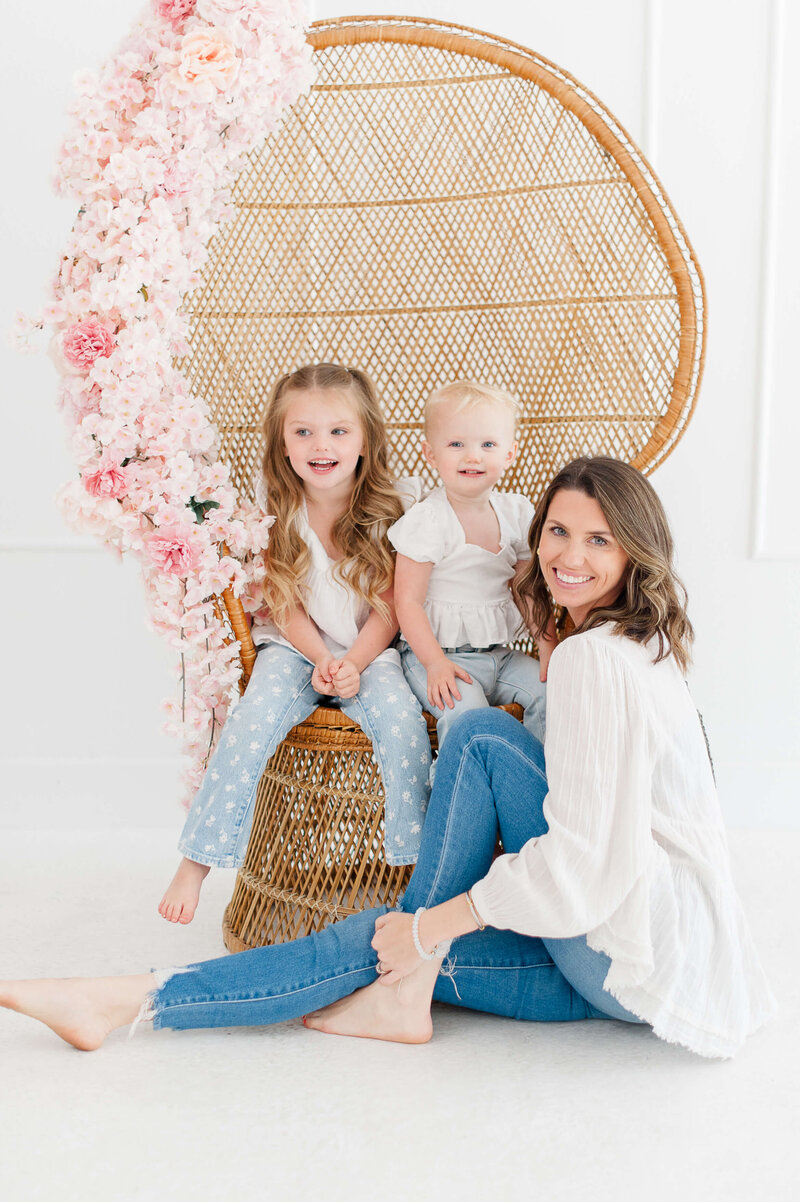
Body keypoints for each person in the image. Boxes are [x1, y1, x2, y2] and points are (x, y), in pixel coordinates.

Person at [1, 457, 775, 1058]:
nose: (568, 557)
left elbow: (582, 869)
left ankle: (130, 1000)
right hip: (656, 952)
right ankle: (398, 980)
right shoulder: (636, 641)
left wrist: (434, 926)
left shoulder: (595, 661)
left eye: (598, 539)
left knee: (386, 936)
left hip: (625, 963)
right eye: (558, 532)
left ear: (636, 550)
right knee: (477, 738)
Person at [158, 363, 431, 924]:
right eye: (302, 431)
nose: (320, 445)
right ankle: (197, 859)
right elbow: (282, 603)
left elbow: (392, 604)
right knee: (253, 717)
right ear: (282, 443)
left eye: (338, 431)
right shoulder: (273, 508)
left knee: (402, 724)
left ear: (365, 440)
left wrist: (352, 662)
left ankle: (416, 867)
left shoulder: (396, 504)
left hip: (372, 646)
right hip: (293, 643)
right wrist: (322, 658)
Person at [389, 381, 556, 754]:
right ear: (430, 454)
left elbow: (527, 590)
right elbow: (407, 602)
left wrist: (546, 644)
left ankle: (536, 786)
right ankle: (468, 793)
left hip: (499, 654)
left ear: (511, 453)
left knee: (553, 695)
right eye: (456, 444)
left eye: (488, 445)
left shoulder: (516, 513)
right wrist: (434, 663)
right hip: (436, 655)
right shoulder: (429, 520)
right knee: (467, 716)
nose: (472, 456)